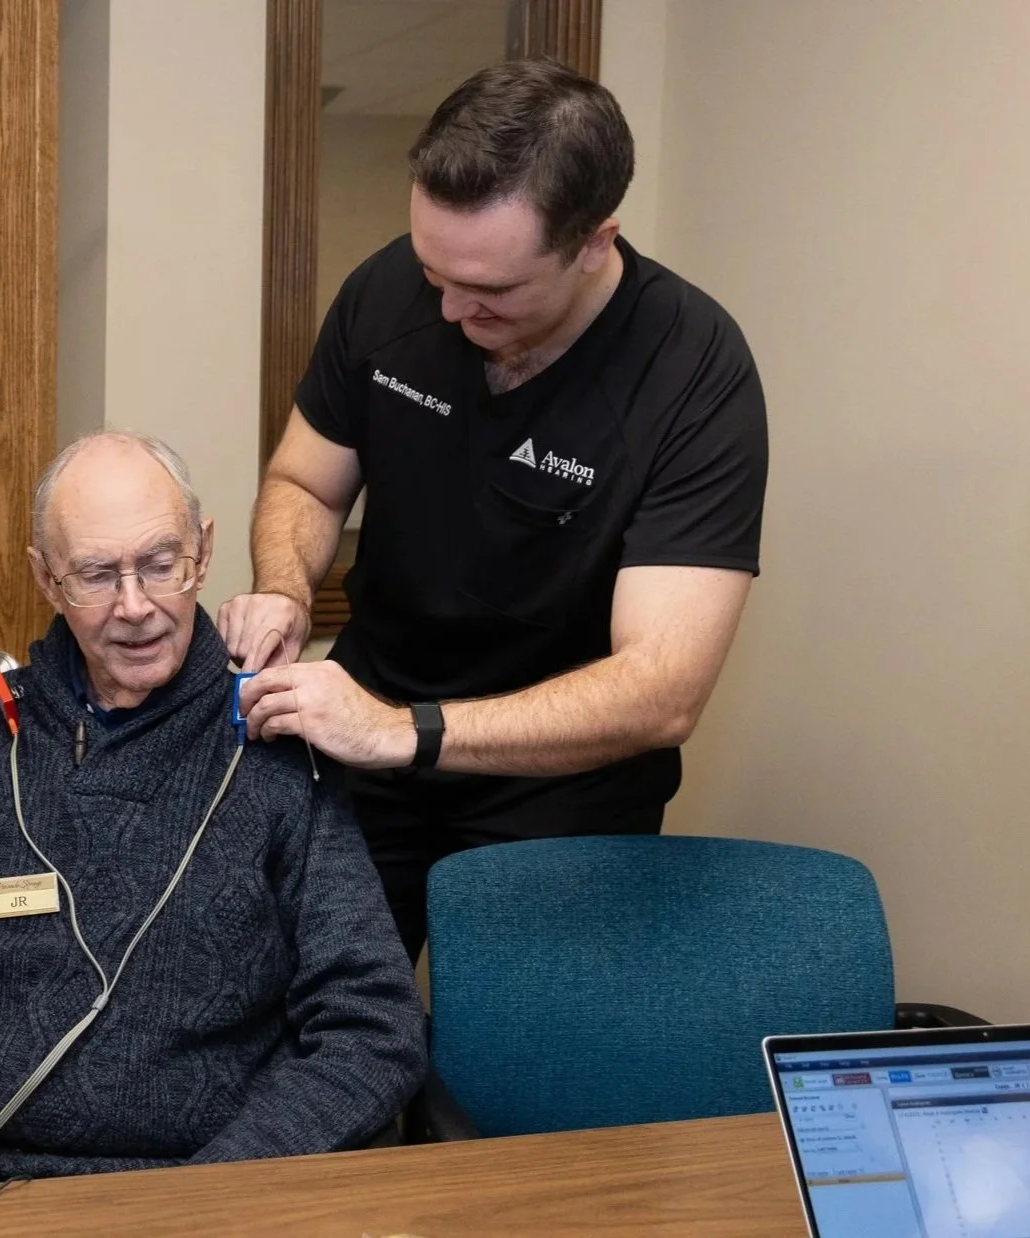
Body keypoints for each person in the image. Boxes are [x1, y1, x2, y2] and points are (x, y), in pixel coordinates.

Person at [221, 58, 768, 960]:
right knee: (314, 1028)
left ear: (595, 239)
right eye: (434, 269)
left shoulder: (693, 371)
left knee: (522, 1073)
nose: (447, 306)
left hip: (558, 785)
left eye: (493, 291)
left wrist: (404, 733)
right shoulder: (392, 290)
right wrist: (282, 587)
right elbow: (304, 483)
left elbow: (661, 691)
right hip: (368, 737)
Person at [0, 430, 426, 1194]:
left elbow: (372, 1032)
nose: (135, 608)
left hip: (199, 1196)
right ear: (46, 579)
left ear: (202, 551)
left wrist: (198, 1203)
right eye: (96, 575)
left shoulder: (276, 748)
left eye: (161, 565)